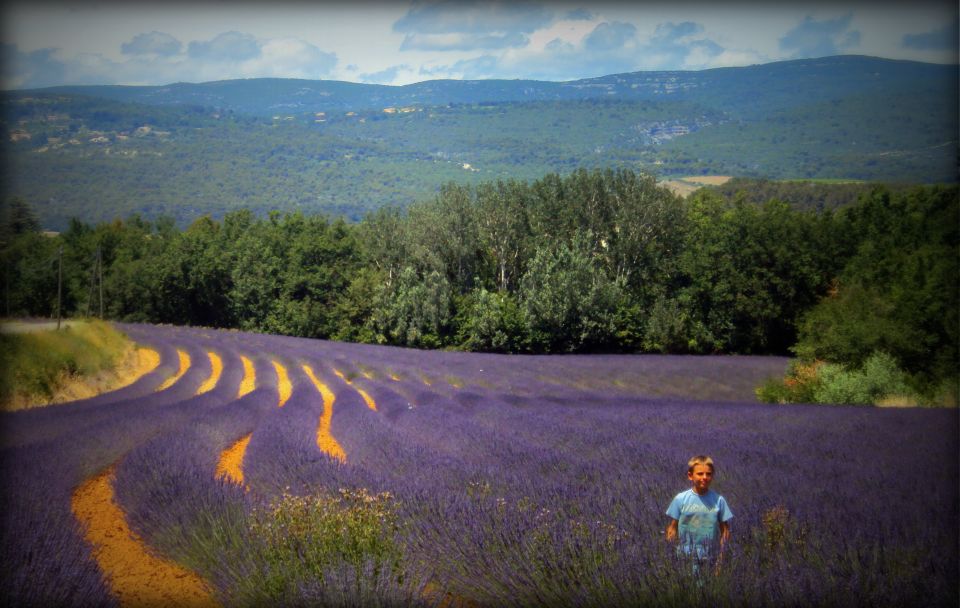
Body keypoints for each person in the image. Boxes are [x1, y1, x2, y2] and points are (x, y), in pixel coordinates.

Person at [665, 455, 733, 577]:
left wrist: (720, 560)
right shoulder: (680, 499)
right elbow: (672, 528)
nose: (704, 477)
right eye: (700, 474)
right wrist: (671, 555)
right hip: (684, 559)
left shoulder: (719, 500)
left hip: (709, 559)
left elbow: (725, 532)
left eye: (709, 474)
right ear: (690, 476)